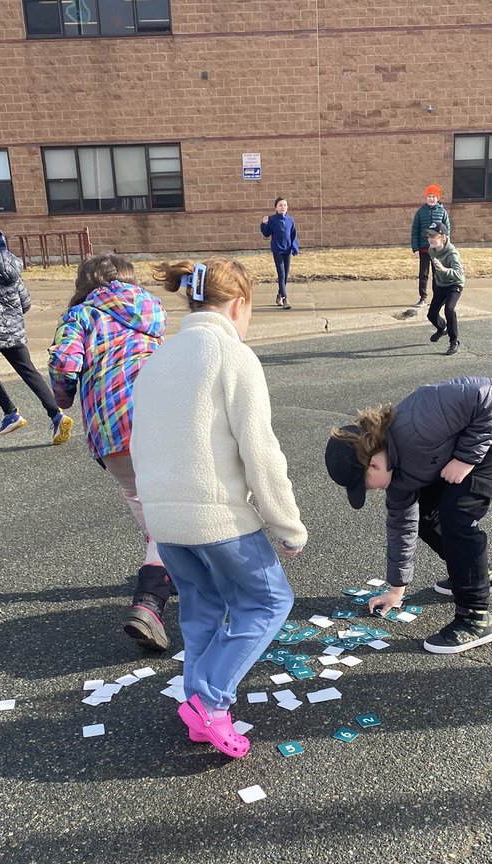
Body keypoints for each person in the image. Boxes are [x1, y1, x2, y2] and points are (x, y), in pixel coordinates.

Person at [130, 255, 307, 759]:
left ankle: (199, 711)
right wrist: (287, 526)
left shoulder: (158, 359)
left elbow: (139, 441)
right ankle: (209, 701)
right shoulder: (232, 357)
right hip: (218, 516)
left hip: (165, 519)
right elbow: (261, 452)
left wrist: (156, 510)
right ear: (239, 304)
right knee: (268, 602)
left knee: (202, 611)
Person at [325, 376, 492, 654]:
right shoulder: (395, 478)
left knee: (457, 514)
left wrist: (466, 458)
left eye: (366, 485)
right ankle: (480, 576)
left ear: (372, 464)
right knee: (424, 515)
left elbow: (490, 397)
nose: (370, 491)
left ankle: (475, 620)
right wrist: (396, 589)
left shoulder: (418, 421)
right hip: (458, 444)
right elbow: (401, 526)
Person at [49, 253, 173, 651]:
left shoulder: (81, 316)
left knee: (149, 508)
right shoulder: (150, 311)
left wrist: (64, 396)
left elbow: (66, 364)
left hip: (110, 432)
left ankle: (160, 586)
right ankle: (152, 599)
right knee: (169, 513)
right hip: (158, 418)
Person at [0, 216, 73, 444]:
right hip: (13, 329)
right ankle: (56, 414)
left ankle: (10, 413)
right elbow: (25, 300)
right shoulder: (8, 262)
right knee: (29, 372)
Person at [424, 220, 464, 357]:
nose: (430, 239)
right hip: (441, 285)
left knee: (449, 309)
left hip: (454, 284)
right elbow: (435, 270)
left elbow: (459, 274)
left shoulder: (452, 253)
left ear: (443, 237)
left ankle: (454, 341)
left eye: (433, 236)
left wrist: (444, 269)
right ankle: (442, 328)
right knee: (431, 314)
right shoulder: (431, 250)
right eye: (428, 235)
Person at [410, 183, 449, 307]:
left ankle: (437, 297)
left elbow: (447, 230)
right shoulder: (421, 212)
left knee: (437, 273)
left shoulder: (442, 212)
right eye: (429, 196)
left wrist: (445, 246)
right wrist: (415, 248)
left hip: (437, 249)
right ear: (426, 198)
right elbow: (415, 231)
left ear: (438, 198)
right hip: (424, 249)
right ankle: (423, 297)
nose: (431, 198)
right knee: (423, 274)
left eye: (433, 196)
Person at [260, 197, 299, 310]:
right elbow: (266, 233)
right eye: (280, 205)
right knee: (281, 274)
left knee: (286, 275)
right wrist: (264, 224)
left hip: (287, 251)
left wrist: (294, 248)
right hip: (277, 251)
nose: (283, 207)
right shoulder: (272, 220)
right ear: (276, 207)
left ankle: (278, 295)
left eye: (285, 205)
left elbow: (293, 235)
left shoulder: (290, 220)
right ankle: (285, 298)